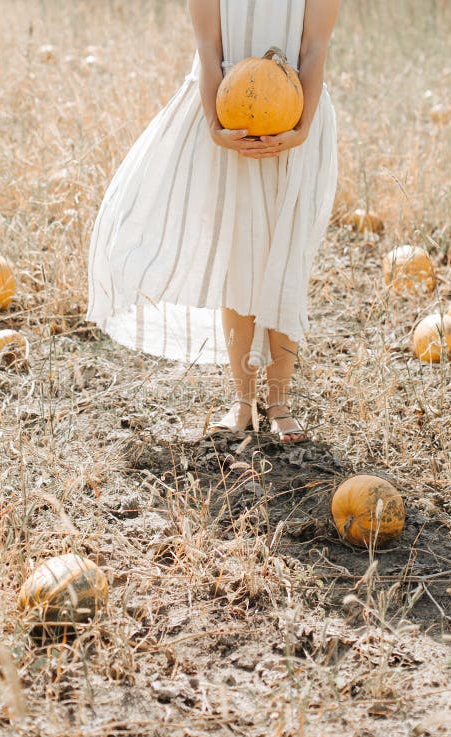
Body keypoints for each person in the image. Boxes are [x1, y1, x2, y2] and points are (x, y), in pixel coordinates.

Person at [85, 0, 340, 442]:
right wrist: (214, 123)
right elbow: (208, 50)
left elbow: (314, 48)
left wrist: (300, 127)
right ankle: (242, 401)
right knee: (240, 256)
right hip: (227, 122)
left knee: (285, 255)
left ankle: (279, 401)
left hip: (297, 123)